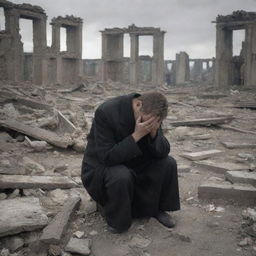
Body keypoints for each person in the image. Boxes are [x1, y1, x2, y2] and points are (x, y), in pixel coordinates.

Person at [81, 91, 180, 233]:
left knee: (168, 163)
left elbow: (163, 151)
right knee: (121, 175)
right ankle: (117, 221)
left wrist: (153, 134)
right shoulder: (106, 112)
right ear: (138, 105)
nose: (150, 124)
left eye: (155, 122)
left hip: (135, 162)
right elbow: (107, 157)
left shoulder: (153, 114)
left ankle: (157, 208)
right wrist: (137, 135)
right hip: (103, 167)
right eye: (149, 121)